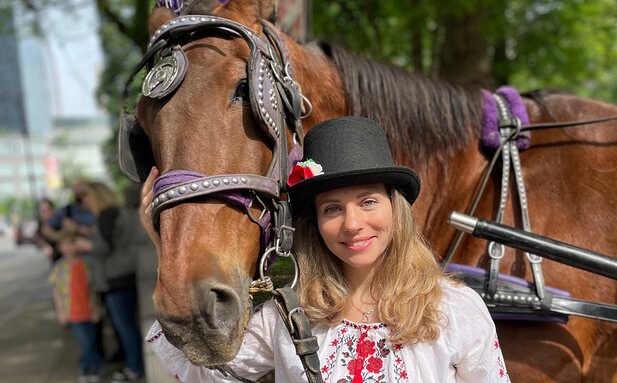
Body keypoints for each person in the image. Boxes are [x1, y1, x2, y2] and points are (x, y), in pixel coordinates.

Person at [141, 116, 511, 382]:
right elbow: (205, 371)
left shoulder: (454, 310)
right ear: (315, 223)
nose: (351, 224)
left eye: (368, 202)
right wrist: (166, 245)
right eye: (332, 208)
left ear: (395, 209)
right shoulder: (288, 316)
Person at [76, 181, 145, 382]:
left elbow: (104, 247)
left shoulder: (106, 214)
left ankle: (134, 369)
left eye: (86, 198)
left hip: (116, 279)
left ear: (96, 196)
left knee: (126, 327)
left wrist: (84, 244)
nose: (84, 204)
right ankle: (134, 365)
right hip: (126, 276)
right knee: (128, 326)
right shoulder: (118, 212)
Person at [48, 232, 104, 383]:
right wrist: (60, 312)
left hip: (88, 310)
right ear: (60, 248)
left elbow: (94, 288)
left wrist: (96, 308)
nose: (68, 248)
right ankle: (87, 367)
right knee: (85, 343)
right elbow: (57, 293)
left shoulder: (87, 263)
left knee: (92, 341)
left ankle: (92, 368)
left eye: (71, 243)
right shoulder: (59, 266)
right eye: (64, 245)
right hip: (72, 312)